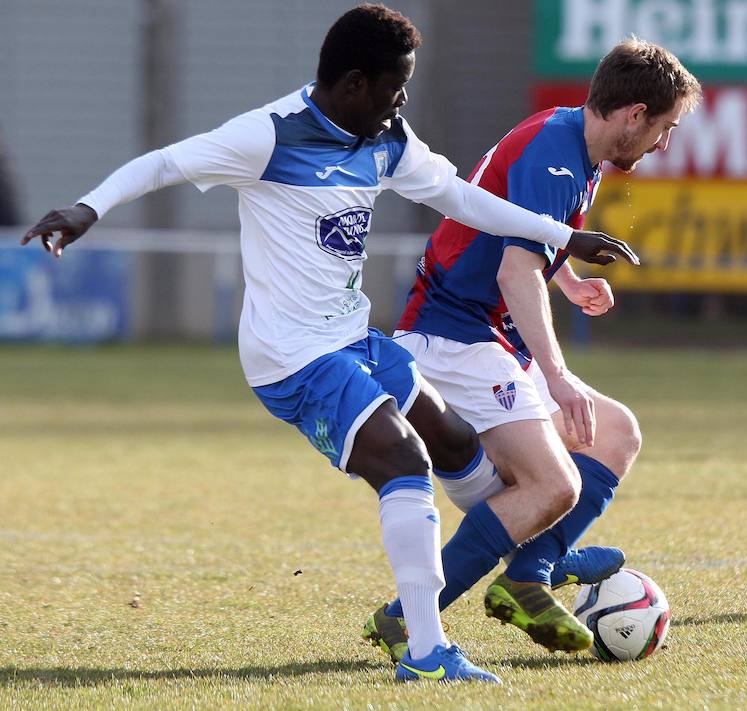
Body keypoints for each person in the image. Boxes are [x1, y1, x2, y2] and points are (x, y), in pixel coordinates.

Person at [20, 4, 638, 684]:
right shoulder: (268, 136)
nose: (403, 99)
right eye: (395, 84)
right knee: (403, 458)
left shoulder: (385, 137)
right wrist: (87, 208)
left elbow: (463, 199)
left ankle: (529, 558)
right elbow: (165, 162)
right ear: (352, 85)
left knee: (454, 441)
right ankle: (427, 651)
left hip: (351, 337)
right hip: (291, 357)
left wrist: (564, 237)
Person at [363, 37, 701, 661]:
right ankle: (409, 618)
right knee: (552, 486)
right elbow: (514, 274)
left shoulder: (574, 139)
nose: (663, 144)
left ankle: (529, 573)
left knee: (616, 432)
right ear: (633, 115)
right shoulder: (559, 159)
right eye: (664, 128)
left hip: (482, 333)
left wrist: (568, 280)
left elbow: (522, 235)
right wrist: (560, 375)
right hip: (454, 336)